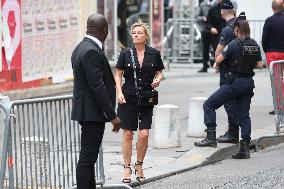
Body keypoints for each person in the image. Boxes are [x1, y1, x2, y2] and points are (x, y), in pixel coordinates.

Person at [194, 13, 263, 159]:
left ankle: (210, 138)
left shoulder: (233, 44)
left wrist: (219, 63)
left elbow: (219, 58)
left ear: (237, 29)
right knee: (244, 115)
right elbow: (260, 65)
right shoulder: (255, 44)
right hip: (248, 83)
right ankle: (244, 148)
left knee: (209, 105)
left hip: (234, 82)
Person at [71, 14, 121, 189]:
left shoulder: (80, 48)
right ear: (104, 31)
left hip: (87, 112)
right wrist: (112, 115)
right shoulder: (91, 50)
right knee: (86, 159)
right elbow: (97, 86)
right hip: (92, 114)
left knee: (89, 159)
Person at [115, 20, 164, 183]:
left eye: (139, 33)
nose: (135, 35)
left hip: (146, 98)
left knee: (144, 134)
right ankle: (127, 168)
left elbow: (159, 73)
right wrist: (119, 93)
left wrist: (158, 79)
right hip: (128, 97)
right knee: (128, 133)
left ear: (146, 36)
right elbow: (118, 75)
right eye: (134, 33)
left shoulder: (154, 54)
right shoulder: (125, 54)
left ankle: (139, 165)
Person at [211, 0, 240, 144]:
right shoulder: (242, 25)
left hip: (227, 71)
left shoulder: (227, 29)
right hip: (240, 70)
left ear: (222, 12)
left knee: (229, 101)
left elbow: (219, 50)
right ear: (233, 11)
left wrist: (216, 63)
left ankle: (232, 133)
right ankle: (236, 132)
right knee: (238, 101)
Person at [262, 0, 284, 115]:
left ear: (272, 8)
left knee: (277, 81)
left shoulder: (269, 21)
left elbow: (264, 40)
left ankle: (280, 107)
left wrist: (266, 51)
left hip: (274, 53)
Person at [197, 0, 215, 72]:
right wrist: (202, 18)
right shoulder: (203, 4)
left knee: (217, 47)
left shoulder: (217, 4)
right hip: (205, 30)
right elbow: (197, 17)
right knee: (205, 49)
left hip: (215, 29)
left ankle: (218, 65)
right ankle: (205, 66)